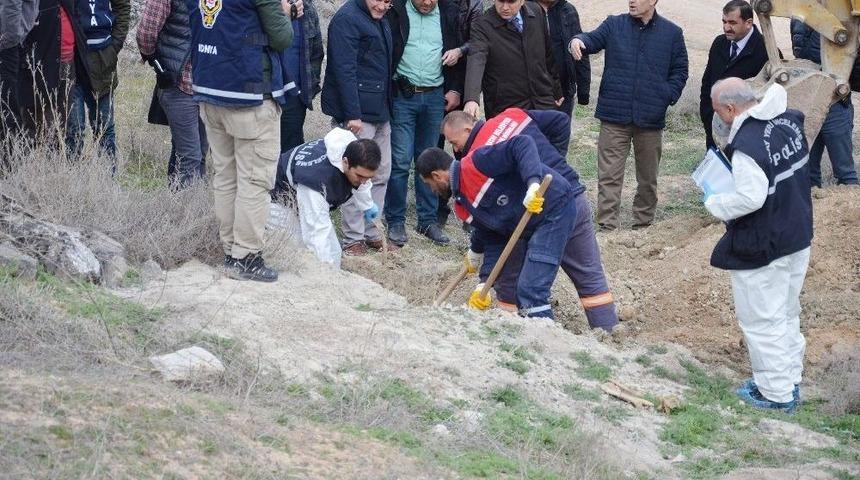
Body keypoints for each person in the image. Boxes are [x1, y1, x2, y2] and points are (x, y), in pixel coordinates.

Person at [442, 109, 618, 330]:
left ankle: (517, 336)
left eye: (454, 142)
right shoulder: (511, 116)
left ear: (468, 129)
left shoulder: (477, 158)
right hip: (572, 196)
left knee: (511, 282)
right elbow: (561, 121)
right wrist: (555, 165)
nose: (456, 150)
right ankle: (610, 335)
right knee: (589, 278)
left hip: (534, 216)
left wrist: (539, 178)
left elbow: (491, 216)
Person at [705, 78, 812, 413]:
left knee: (762, 321)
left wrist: (714, 202)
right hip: (797, 232)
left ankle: (776, 395)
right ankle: (789, 380)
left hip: (765, 244)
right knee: (787, 313)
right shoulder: (788, 121)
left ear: (730, 108)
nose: (718, 118)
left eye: (718, 111)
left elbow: (750, 197)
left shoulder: (747, 145)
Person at [418, 134, 592, 322]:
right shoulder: (462, 203)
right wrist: (484, 282)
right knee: (516, 288)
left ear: (437, 176)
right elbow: (493, 238)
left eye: (430, 184)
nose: (433, 190)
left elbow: (522, 143)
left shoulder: (477, 162)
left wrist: (533, 185)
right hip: (528, 224)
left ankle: (546, 336)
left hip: (554, 207)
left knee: (531, 288)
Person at [187, 0, 293, 282]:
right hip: (249, 96)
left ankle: (231, 250)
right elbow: (282, 38)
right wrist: (287, 12)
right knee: (254, 180)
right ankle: (246, 256)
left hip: (209, 89)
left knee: (225, 176)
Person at [570, 0, 688, 231]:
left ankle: (643, 224)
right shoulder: (614, 24)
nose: (631, 1)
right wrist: (577, 40)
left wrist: (666, 96)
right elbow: (591, 39)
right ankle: (608, 226)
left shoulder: (672, 33)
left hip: (650, 118)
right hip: (614, 114)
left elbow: (680, 70)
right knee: (609, 176)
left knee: (648, 178)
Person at [383, 0, 463, 246]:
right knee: (400, 160)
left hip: (435, 96)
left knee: (430, 159)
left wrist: (455, 89)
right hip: (403, 96)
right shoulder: (395, 10)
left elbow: (460, 51)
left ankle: (427, 221)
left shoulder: (448, 12)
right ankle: (395, 219)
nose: (427, 2)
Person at [321, 0, 394, 256]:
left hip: (381, 110)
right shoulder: (347, 19)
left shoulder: (379, 18)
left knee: (380, 173)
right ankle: (353, 238)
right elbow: (344, 69)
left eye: (388, 2)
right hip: (358, 116)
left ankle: (373, 232)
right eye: (379, 0)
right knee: (356, 176)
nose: (383, 6)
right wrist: (352, 114)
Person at [270, 128, 381, 267]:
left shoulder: (350, 148)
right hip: (275, 203)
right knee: (300, 250)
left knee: (334, 251)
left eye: (369, 178)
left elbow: (362, 180)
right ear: (345, 162)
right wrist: (325, 273)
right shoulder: (317, 182)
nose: (364, 182)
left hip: (301, 196)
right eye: (360, 176)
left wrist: (367, 205)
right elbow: (316, 232)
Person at [136, 0, 208, 188]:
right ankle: (185, 206)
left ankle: (178, 201)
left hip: (205, 86)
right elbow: (145, 33)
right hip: (179, 83)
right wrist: (159, 65)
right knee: (191, 157)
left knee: (197, 154)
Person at [462, 0, 562, 119]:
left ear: (522, 1)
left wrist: (556, 90)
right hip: (506, 107)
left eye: (511, 1)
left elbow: (548, 55)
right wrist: (471, 99)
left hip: (542, 101)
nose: (505, 7)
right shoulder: (482, 25)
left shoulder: (536, 11)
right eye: (500, 1)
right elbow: (476, 59)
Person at [790, 19, 859, 187]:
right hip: (809, 102)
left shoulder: (842, 18)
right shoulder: (800, 17)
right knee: (808, 172)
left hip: (834, 102)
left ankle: (850, 203)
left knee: (845, 172)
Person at [64, 0, 131, 161]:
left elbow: (122, 6)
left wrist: (115, 45)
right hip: (71, 61)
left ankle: (106, 175)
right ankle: (71, 176)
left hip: (102, 59)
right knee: (75, 130)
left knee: (105, 128)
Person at [700, 0, 769, 149]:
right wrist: (708, 119)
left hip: (747, 140)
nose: (726, 27)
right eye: (724, 22)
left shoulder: (765, 51)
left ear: (748, 23)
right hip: (715, 133)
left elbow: (768, 99)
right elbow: (707, 85)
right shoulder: (719, 43)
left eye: (732, 23)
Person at [528, 0, 590, 118]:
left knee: (561, 128)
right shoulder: (523, 10)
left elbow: (580, 50)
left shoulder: (567, 10)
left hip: (564, 90)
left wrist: (583, 91)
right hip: (533, 95)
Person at [279, 0, 325, 153]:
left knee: (290, 151)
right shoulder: (263, 7)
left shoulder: (308, 9)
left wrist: (307, 91)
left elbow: (316, 53)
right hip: (264, 96)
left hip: (295, 99)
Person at [0, 0, 39, 138]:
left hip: (11, 43)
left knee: (9, 102)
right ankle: (11, 147)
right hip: (9, 45)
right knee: (8, 104)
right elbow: (11, 6)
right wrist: (11, 39)